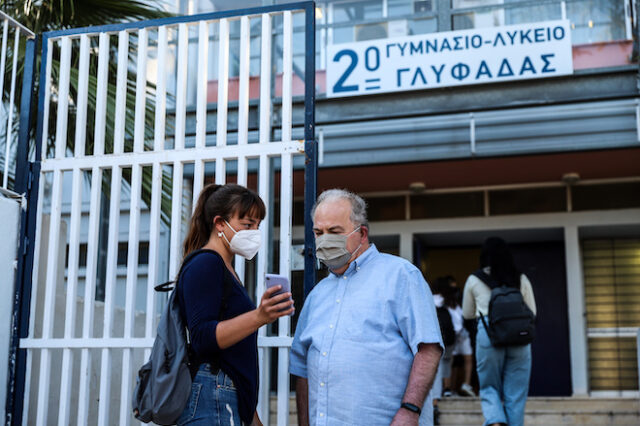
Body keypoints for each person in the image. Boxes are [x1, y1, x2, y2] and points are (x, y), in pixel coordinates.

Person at [290, 189, 443, 426]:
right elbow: (301, 369)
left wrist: (410, 410)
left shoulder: (401, 275)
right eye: (318, 232)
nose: (324, 239)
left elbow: (429, 348)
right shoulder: (317, 295)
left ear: (361, 233)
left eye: (334, 231)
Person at [176, 183, 294, 426]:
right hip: (212, 394)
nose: (254, 232)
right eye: (248, 224)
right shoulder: (205, 263)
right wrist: (259, 316)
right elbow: (203, 337)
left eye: (258, 226)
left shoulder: (227, 269)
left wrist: (251, 415)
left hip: (226, 396)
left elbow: (234, 355)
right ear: (220, 223)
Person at [461, 237, 536, 426]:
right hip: (519, 336)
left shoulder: (474, 279)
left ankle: (495, 422)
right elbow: (532, 312)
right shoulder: (520, 278)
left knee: (489, 386)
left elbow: (467, 313)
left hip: (488, 332)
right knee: (516, 393)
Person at [441, 276, 476, 398]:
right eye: (452, 287)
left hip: (463, 335)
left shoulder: (459, 302)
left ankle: (466, 385)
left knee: (468, 359)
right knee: (450, 362)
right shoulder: (441, 302)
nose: (454, 290)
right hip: (450, 336)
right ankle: (448, 388)